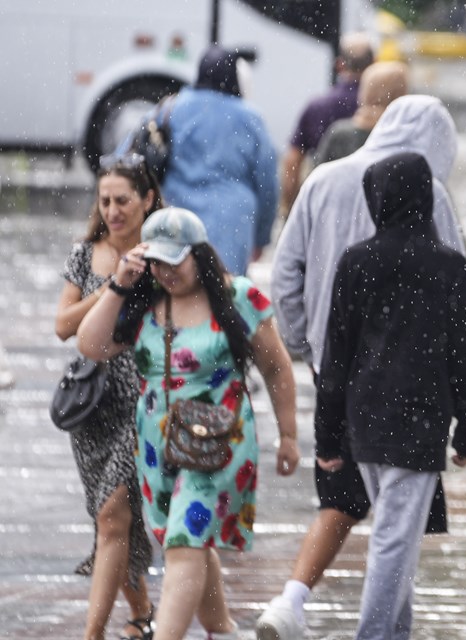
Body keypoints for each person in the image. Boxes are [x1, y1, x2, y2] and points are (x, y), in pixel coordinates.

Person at [259, 94, 466, 640]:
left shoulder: (322, 180)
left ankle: (324, 610)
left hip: (339, 376)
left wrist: (307, 345)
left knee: (373, 513)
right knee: (396, 527)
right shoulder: (434, 196)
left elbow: (285, 273)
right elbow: (456, 301)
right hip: (412, 388)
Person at [76, 206, 301, 640]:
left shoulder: (240, 298)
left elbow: (276, 367)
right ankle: (222, 630)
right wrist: (120, 284)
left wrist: (288, 434)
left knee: (185, 539)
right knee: (185, 540)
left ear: (200, 254)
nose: (165, 271)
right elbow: (91, 344)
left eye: (174, 260)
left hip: (219, 443)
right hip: (156, 445)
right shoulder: (141, 301)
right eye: (156, 261)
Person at [315, 151, 466, 640]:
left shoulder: (356, 262)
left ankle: (396, 633)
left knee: (397, 540)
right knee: (394, 540)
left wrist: (327, 437)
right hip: (420, 423)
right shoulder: (450, 268)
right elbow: (464, 358)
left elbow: (336, 360)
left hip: (364, 421)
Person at [54, 152, 162, 640]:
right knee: (110, 521)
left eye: (123, 200)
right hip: (93, 405)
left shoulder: (164, 254)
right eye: (106, 201)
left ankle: (92, 632)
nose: (114, 210)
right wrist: (113, 286)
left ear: (148, 200)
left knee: (111, 513)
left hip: (144, 401)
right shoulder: (86, 254)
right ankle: (141, 611)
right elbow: (62, 326)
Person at [159, 45, 278, 276]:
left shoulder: (171, 107)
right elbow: (267, 184)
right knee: (225, 295)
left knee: (176, 292)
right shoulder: (250, 117)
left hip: (176, 214)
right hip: (231, 221)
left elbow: (126, 159)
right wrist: (261, 237)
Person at [280, 33, 375, 215]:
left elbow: (292, 161)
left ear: (339, 64)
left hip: (325, 206)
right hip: (370, 209)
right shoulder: (381, 108)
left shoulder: (317, 106)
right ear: (373, 63)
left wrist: (289, 207)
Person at [312, 60, 409, 167]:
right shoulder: (405, 136)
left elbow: (318, 176)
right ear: (400, 94)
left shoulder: (339, 133)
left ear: (366, 90)